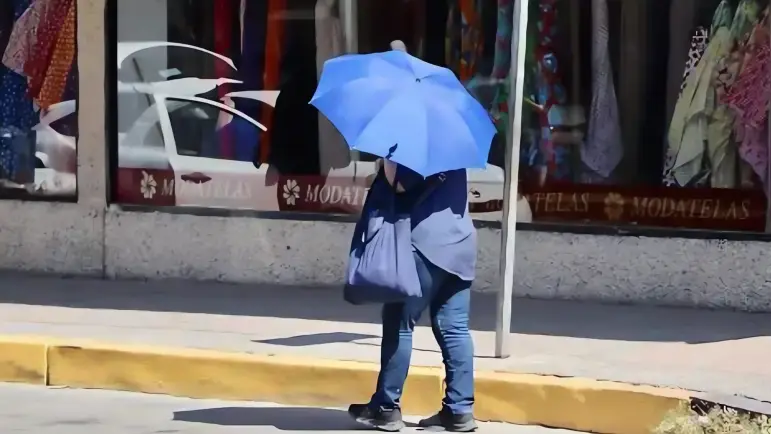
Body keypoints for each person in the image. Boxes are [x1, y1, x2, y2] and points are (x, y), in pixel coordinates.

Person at [348, 158, 478, 433]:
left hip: (424, 245)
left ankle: (385, 407)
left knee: (399, 323)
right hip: (461, 244)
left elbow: (401, 184)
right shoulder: (451, 142)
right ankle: (459, 411)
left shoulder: (413, 143)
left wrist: (386, 160)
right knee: (454, 328)